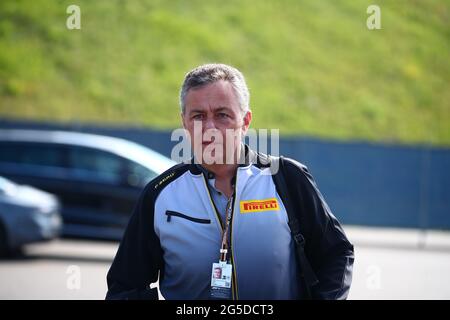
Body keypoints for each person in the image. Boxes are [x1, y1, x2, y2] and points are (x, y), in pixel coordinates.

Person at [106, 63, 354, 300]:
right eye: (198, 116)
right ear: (184, 123)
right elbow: (125, 286)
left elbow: (336, 254)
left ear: (245, 121)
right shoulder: (159, 195)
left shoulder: (287, 178)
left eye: (222, 115)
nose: (210, 127)